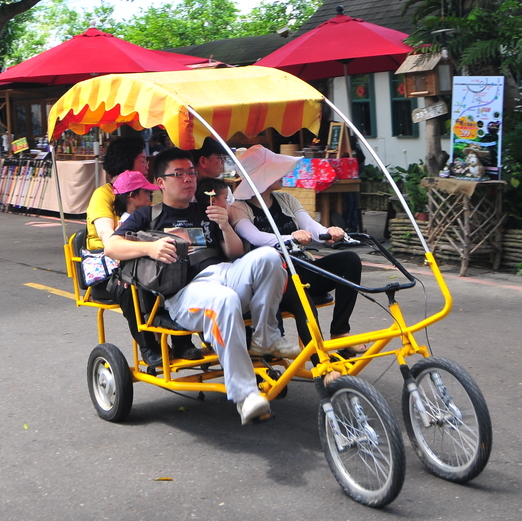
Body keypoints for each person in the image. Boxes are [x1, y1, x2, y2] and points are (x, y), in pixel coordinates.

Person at [105, 148, 297, 424]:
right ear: (161, 182)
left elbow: (234, 254)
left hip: (225, 273)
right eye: (179, 174)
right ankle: (245, 395)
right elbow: (111, 247)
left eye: (192, 173)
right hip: (185, 293)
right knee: (224, 299)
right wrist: (150, 248)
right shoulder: (148, 215)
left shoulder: (206, 210)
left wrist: (225, 226)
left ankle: (265, 338)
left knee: (269, 256)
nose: (188, 179)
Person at [224, 145, 366, 355]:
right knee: (304, 303)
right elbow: (254, 237)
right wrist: (290, 237)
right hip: (274, 279)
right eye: (276, 170)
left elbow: (311, 226)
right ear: (262, 176)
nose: (283, 174)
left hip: (301, 267)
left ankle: (340, 331)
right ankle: (321, 363)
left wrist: (329, 231)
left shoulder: (286, 200)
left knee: (350, 260)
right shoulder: (238, 208)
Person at [85, 136, 149, 249]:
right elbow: (105, 234)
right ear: (126, 163)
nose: (147, 167)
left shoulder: (142, 193)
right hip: (105, 254)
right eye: (142, 161)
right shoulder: (103, 194)